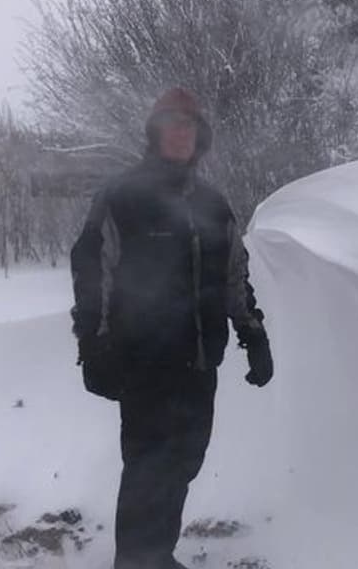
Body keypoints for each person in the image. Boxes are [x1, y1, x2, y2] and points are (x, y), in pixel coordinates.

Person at [70, 87, 274, 569]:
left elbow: (233, 276)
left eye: (189, 127)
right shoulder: (123, 197)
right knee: (147, 467)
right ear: (155, 134)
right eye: (171, 125)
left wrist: (253, 333)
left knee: (184, 462)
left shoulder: (214, 204)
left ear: (199, 138)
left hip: (199, 363)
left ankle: (156, 554)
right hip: (143, 360)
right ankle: (137, 561)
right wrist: (92, 346)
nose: (181, 134)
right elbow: (90, 269)